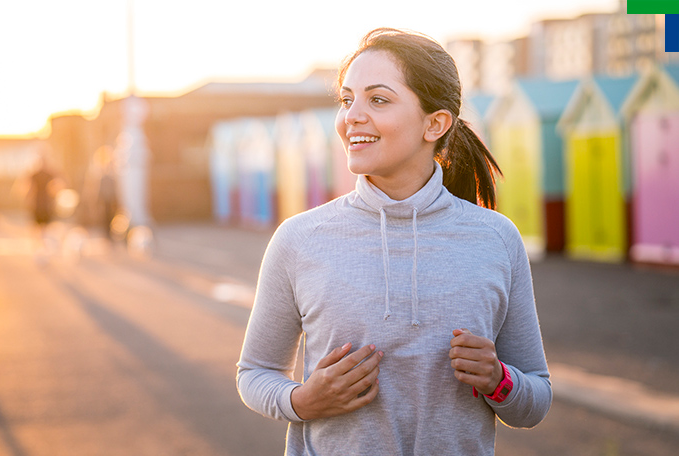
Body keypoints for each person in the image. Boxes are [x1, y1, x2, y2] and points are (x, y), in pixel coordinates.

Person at [236, 28, 551, 455]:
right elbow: (255, 372)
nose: (352, 117)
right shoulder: (299, 239)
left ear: (435, 123)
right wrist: (302, 401)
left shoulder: (496, 239)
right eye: (347, 100)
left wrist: (500, 381)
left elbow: (535, 401)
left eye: (377, 99)